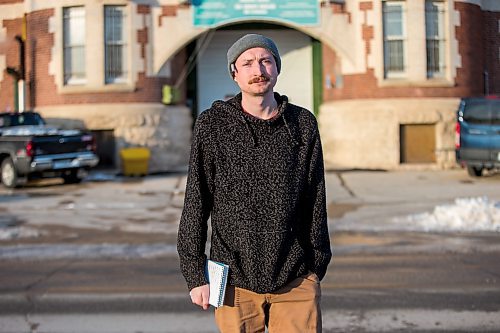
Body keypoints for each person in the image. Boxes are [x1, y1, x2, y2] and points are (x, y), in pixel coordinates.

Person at [177, 33, 332, 333]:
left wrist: (316, 264)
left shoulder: (302, 124)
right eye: (247, 63)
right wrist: (195, 273)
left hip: (296, 277)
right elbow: (197, 201)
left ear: (277, 68)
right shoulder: (212, 125)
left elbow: (315, 198)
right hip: (234, 281)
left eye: (265, 61)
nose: (257, 70)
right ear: (234, 73)